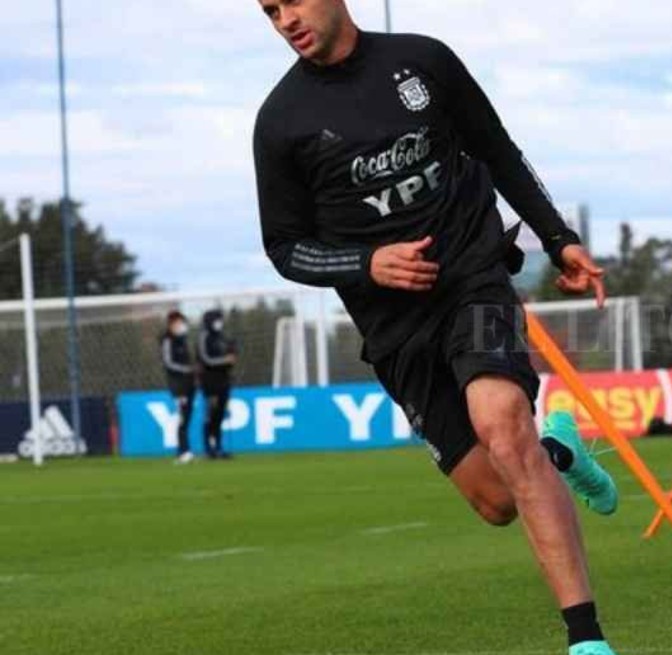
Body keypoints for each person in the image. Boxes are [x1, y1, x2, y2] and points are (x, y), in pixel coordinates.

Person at [252, 2, 619, 653]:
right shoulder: (281, 122)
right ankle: (559, 451)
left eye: (292, 1)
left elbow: (498, 152)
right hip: (395, 328)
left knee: (503, 424)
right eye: (269, 10)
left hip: (473, 278)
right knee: (496, 500)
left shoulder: (422, 61)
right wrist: (366, 263)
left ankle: (586, 639)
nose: (285, 19)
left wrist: (558, 239)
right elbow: (285, 248)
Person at [198, 309, 237, 459]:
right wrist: (225, 360)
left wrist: (232, 355)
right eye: (217, 320)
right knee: (211, 415)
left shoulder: (221, 337)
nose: (219, 323)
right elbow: (205, 359)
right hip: (209, 383)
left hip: (223, 381)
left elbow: (229, 357)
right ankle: (208, 448)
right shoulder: (204, 336)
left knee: (220, 416)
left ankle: (219, 447)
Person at [160, 311, 196, 464]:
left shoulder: (184, 340)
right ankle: (183, 451)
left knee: (186, 417)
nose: (181, 326)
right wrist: (187, 369)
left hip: (189, 384)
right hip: (178, 385)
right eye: (178, 323)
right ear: (171, 324)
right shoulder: (167, 341)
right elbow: (168, 363)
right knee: (182, 417)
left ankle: (184, 450)